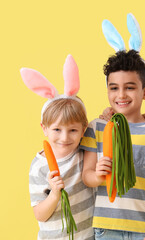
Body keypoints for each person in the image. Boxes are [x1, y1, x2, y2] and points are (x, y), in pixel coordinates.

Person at [81, 48, 145, 240]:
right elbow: (87, 176)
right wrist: (98, 175)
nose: (121, 95)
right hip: (106, 229)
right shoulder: (97, 127)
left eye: (129, 87)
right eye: (114, 88)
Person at [21, 55, 95, 240]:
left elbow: (103, 125)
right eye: (56, 129)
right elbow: (40, 214)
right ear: (44, 129)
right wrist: (54, 194)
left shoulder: (85, 153)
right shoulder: (39, 166)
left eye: (72, 130)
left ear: (83, 129)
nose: (64, 137)